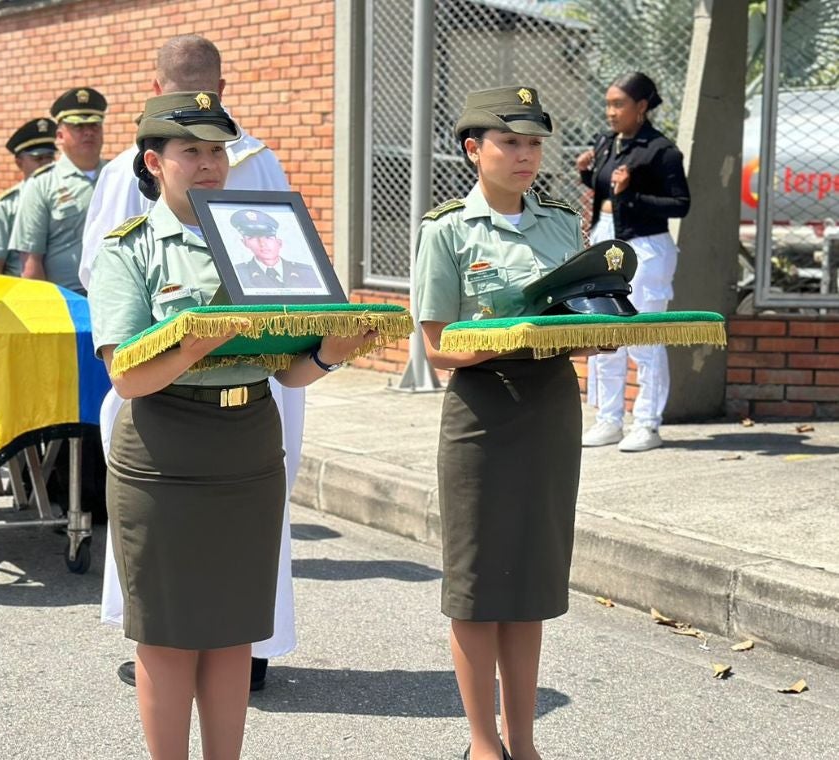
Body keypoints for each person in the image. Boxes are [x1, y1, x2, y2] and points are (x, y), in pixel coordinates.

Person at [88, 90, 376, 760]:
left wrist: (332, 352)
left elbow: (287, 372)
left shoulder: (264, 239)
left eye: (218, 151)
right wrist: (193, 342)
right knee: (165, 634)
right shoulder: (130, 249)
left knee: (232, 634)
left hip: (248, 444)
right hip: (162, 449)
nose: (210, 164)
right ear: (155, 162)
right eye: (192, 151)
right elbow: (127, 377)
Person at [81, 34, 303, 693]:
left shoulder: (139, 165)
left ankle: (172, 646)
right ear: (222, 89)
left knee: (166, 521)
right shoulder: (256, 158)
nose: (209, 163)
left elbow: (99, 269)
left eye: (216, 150)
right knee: (257, 514)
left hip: (169, 377)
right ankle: (251, 645)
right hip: (256, 377)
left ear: (154, 90)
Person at [413, 86, 595, 760]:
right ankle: (483, 743)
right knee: (478, 585)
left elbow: (576, 320)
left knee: (530, 583)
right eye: (510, 142)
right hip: (482, 413)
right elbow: (437, 349)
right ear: (473, 150)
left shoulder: (557, 224)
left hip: (550, 405)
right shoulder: (446, 231)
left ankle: (524, 742)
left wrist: (593, 335)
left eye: (534, 143)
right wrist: (510, 332)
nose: (525, 155)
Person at [576, 72, 691, 452]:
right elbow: (603, 187)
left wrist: (634, 194)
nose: (610, 112)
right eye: (608, 104)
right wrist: (586, 172)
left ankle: (647, 424)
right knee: (605, 335)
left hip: (646, 247)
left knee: (643, 336)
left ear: (641, 107)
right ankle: (609, 420)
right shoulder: (608, 143)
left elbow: (680, 204)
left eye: (618, 104)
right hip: (608, 239)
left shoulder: (661, 151)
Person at [8, 87, 107, 293]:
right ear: (60, 136)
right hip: (70, 302)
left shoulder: (118, 175)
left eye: (95, 125)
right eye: (78, 126)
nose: (88, 131)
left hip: (118, 299)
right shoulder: (41, 185)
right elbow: (30, 261)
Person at [0, 118, 56, 276]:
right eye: (38, 159)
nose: (46, 164)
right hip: (22, 294)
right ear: (19, 163)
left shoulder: (61, 197)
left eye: (50, 157)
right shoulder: (3, 206)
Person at [229, 208, 322, 289]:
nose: (262, 243)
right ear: (245, 243)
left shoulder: (307, 273)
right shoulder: (238, 274)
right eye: (253, 237)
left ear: (279, 242)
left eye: (268, 237)